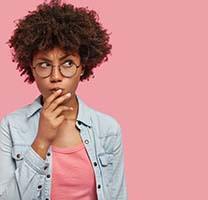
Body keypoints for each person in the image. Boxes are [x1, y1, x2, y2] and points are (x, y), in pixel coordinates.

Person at [0, 0, 127, 199]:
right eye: (44, 64)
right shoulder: (11, 126)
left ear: (83, 66)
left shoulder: (108, 130)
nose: (55, 76)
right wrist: (41, 142)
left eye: (67, 63)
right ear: (31, 68)